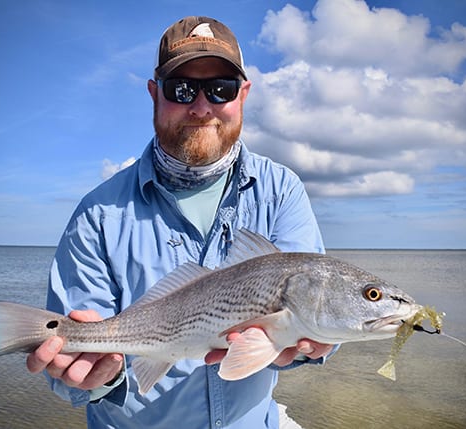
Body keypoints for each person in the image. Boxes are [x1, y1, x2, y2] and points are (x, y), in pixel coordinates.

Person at [26, 16, 338, 428]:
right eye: (182, 89)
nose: (202, 106)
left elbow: (313, 320)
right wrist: (99, 377)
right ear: (154, 94)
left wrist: (307, 347)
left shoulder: (282, 190)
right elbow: (78, 376)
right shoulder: (97, 214)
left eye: (221, 89)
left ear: (243, 95)